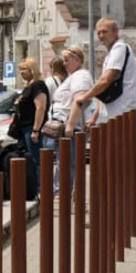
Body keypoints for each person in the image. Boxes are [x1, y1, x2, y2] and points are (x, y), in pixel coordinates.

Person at [43, 45, 94, 195]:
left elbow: (79, 100)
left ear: (77, 60)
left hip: (68, 127)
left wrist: (70, 125)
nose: (63, 64)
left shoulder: (81, 76)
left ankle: (64, 194)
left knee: (66, 163)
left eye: (66, 60)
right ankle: (61, 193)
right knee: (62, 163)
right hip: (61, 126)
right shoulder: (73, 77)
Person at [76, 18, 136, 120]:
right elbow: (104, 88)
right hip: (114, 114)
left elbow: (105, 81)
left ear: (116, 32)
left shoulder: (119, 48)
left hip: (124, 114)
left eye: (105, 32)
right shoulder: (110, 54)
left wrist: (85, 97)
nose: (101, 36)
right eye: (98, 33)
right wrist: (94, 117)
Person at [12, 57, 49, 198]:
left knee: (37, 159)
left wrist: (36, 130)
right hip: (24, 128)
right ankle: (34, 188)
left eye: (25, 69)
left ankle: (40, 189)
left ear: (32, 70)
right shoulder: (28, 86)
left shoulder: (37, 85)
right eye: (20, 69)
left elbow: (40, 108)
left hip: (32, 128)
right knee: (31, 158)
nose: (21, 72)